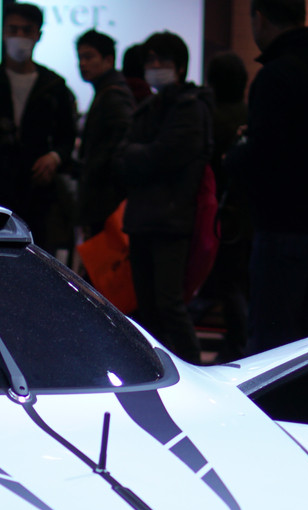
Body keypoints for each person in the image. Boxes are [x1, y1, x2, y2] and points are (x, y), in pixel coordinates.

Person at [228, 0, 308, 352]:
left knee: (273, 347)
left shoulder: (274, 76)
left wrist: (233, 157)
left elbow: (266, 156)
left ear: (260, 17)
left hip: (282, 229)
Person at [0, 3, 78, 254]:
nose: (19, 36)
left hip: (35, 195)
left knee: (34, 259)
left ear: (38, 35)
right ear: (3, 33)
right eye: (13, 29)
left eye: (26, 30)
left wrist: (54, 158)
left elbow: (67, 137)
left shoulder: (54, 85)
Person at [119, 31, 211, 363]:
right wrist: (142, 155)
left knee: (169, 304)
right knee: (146, 306)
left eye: (163, 60)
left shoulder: (191, 107)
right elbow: (123, 157)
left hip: (172, 219)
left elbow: (165, 155)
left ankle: (194, 368)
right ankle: (155, 367)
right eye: (150, 60)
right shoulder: (149, 107)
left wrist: (138, 154)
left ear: (181, 66)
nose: (155, 66)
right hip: (142, 217)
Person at [206, 51, 251, 361]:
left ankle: (236, 344)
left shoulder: (210, 117)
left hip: (220, 211)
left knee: (228, 282)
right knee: (243, 282)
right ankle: (242, 342)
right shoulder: (252, 115)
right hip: (250, 210)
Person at [75, 29, 135, 239]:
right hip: (104, 199)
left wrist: (94, 170)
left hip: (106, 201)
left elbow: (119, 141)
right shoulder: (107, 90)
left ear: (108, 60)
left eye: (89, 57)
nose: (82, 64)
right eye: (80, 58)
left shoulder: (113, 94)